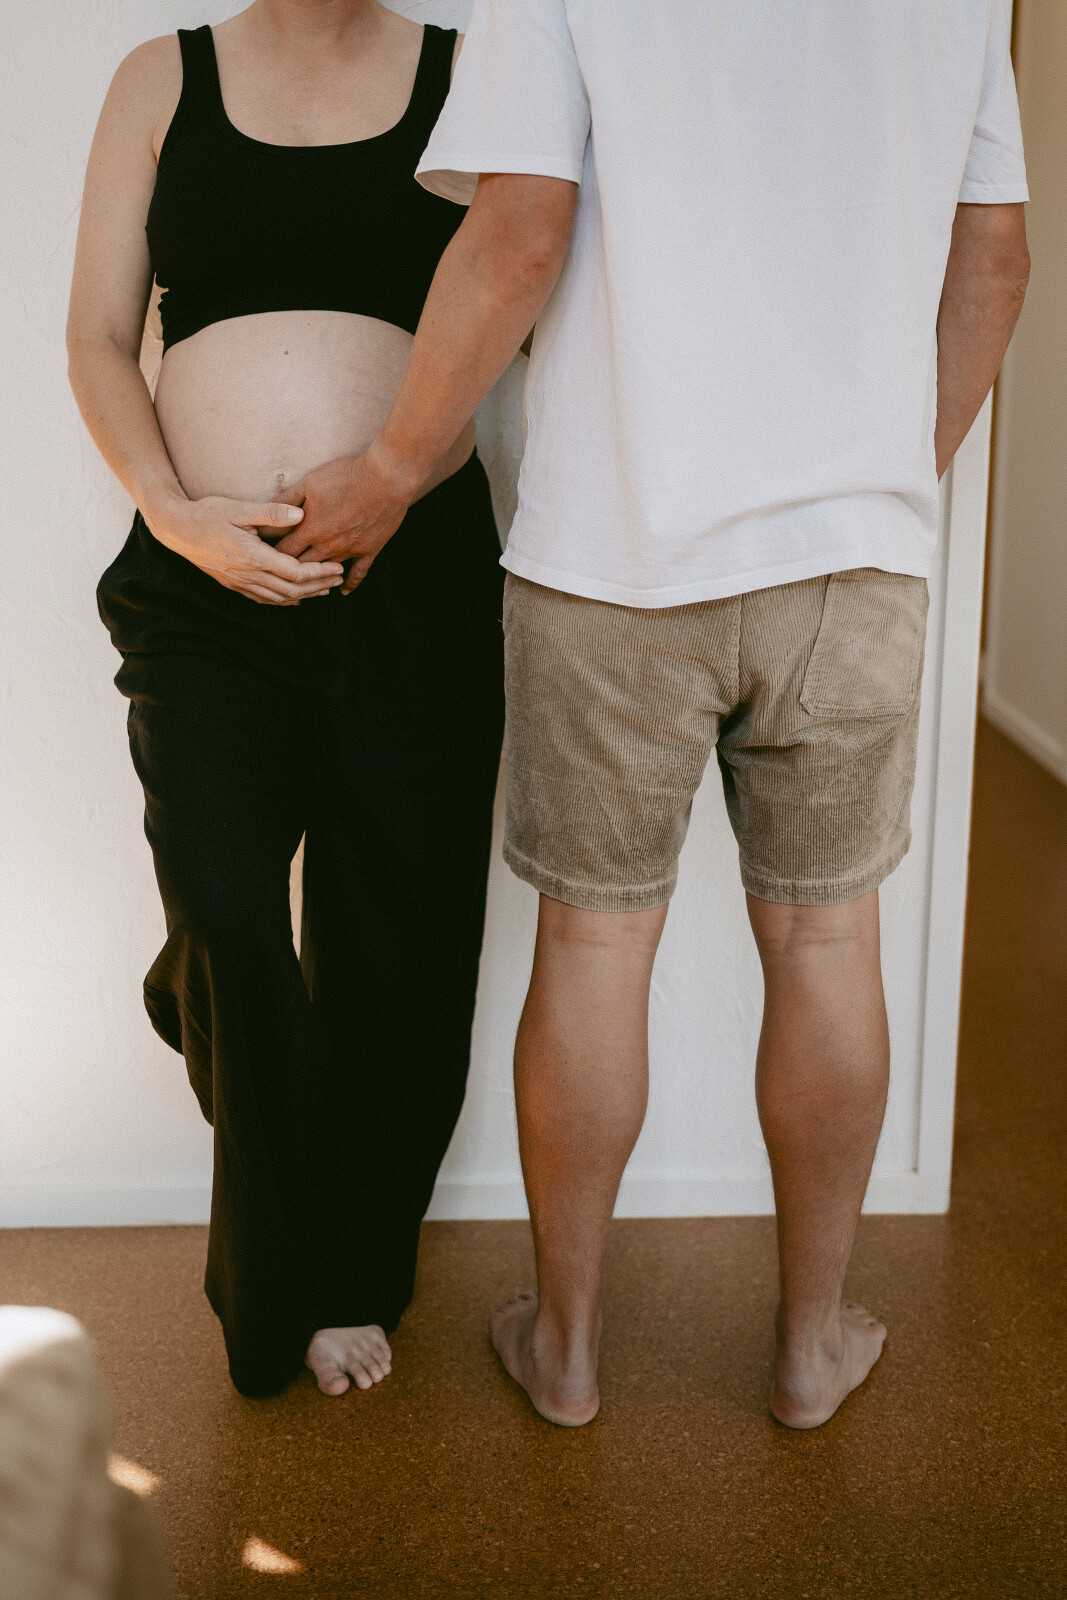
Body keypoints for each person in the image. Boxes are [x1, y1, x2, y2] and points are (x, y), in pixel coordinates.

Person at [271, 0, 1031, 1428]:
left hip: (615, 553)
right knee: (829, 939)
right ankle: (810, 1349)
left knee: (594, 944)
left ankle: (565, 1352)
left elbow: (519, 236)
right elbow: (995, 254)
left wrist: (387, 470)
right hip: (850, 563)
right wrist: (873, 486)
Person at [66, 0, 506, 1400]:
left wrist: (392, 479)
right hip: (203, 582)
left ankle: (346, 1273)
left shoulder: (469, 75)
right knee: (226, 904)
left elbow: (515, 308)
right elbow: (96, 336)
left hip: (415, 569)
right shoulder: (161, 78)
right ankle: (271, 1270)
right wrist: (175, 512)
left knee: (400, 934)